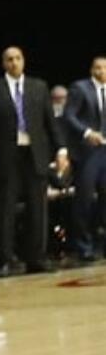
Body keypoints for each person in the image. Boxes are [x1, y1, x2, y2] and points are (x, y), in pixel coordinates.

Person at [0, 46, 58, 273]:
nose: (14, 63)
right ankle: (7, 257)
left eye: (18, 58)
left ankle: (36, 257)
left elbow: (50, 122)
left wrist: (59, 149)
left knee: (37, 207)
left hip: (34, 154)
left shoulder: (38, 87)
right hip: (6, 156)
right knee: (6, 208)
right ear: (4, 63)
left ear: (24, 61)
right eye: (9, 59)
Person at [62, 57, 106, 261]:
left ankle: (101, 242)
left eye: (105, 68)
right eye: (98, 67)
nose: (102, 71)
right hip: (87, 152)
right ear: (92, 70)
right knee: (85, 200)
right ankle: (83, 245)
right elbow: (69, 116)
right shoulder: (80, 88)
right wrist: (87, 132)